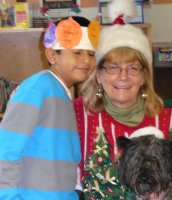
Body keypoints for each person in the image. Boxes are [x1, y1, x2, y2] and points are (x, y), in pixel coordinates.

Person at [73, 0, 172, 199]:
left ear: (143, 77)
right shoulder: (78, 116)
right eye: (113, 67)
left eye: (133, 68)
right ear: (98, 75)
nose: (123, 76)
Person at [0, 16, 98, 199]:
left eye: (91, 54)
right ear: (52, 55)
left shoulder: (62, 94)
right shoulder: (37, 88)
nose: (86, 60)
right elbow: (5, 149)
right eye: (77, 52)